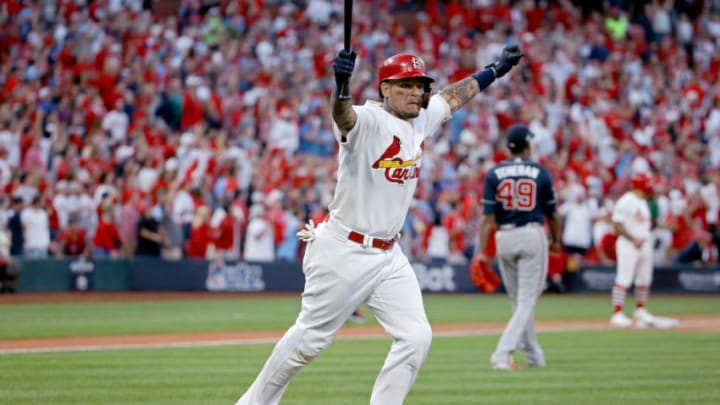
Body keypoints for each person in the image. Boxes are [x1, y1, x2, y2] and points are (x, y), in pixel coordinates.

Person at [234, 43, 524, 404]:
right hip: (345, 250)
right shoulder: (368, 119)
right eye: (406, 85)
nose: (416, 92)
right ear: (385, 88)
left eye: (420, 85)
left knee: (416, 336)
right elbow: (343, 116)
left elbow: (451, 97)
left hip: (388, 255)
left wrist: (495, 69)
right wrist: (341, 84)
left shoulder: (420, 118)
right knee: (307, 343)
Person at [470, 124, 561, 371]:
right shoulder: (539, 171)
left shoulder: (494, 172)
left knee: (519, 300)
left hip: (504, 237)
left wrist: (481, 250)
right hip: (531, 234)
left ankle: (533, 355)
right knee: (526, 300)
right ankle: (502, 354)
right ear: (528, 145)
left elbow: (487, 217)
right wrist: (556, 240)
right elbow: (552, 214)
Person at [609, 172, 679, 328]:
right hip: (628, 243)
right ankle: (617, 313)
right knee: (624, 278)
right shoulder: (626, 200)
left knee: (644, 278)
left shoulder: (645, 202)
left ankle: (640, 310)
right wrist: (633, 238)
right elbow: (617, 224)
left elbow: (649, 224)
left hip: (645, 242)